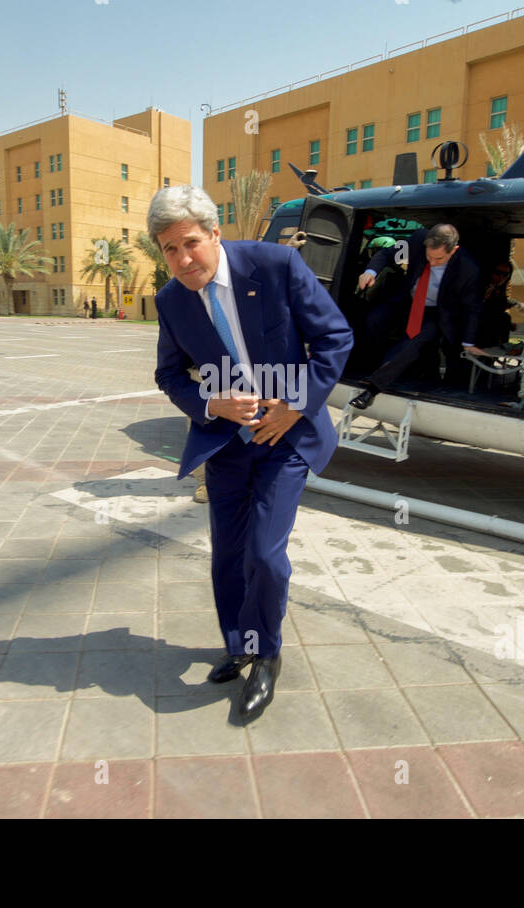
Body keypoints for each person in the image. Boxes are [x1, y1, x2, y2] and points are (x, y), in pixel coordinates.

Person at [152, 185, 352, 721]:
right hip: (227, 445)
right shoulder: (171, 300)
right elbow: (169, 375)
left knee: (265, 554)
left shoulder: (277, 264)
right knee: (228, 557)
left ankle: (267, 653)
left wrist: (296, 404)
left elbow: (335, 338)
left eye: (190, 243)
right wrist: (210, 404)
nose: (182, 259)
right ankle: (239, 642)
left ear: (215, 233)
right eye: (168, 250)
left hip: (284, 440)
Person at [348, 224, 487, 410]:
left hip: (436, 312)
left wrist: (468, 342)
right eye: (429, 256)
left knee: (411, 342)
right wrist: (370, 272)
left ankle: (372, 390)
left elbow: (472, 308)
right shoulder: (416, 241)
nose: (432, 262)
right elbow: (386, 255)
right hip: (407, 301)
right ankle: (365, 366)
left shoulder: (468, 268)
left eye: (439, 259)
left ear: (454, 250)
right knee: (375, 319)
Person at [476, 263, 524, 351]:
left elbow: (497, 308)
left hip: (489, 339)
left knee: (505, 318)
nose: (501, 278)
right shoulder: (477, 286)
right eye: (498, 273)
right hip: (472, 335)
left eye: (505, 275)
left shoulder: (497, 290)